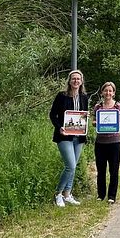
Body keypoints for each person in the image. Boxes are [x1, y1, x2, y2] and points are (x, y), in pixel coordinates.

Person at [49, 70, 89, 207]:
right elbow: (52, 115)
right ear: (69, 81)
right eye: (73, 79)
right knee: (70, 166)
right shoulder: (62, 96)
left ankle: (67, 194)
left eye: (78, 79)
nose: (76, 81)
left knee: (74, 166)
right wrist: (60, 127)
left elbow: (83, 115)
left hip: (79, 136)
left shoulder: (84, 97)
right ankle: (58, 194)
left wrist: (86, 117)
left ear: (81, 81)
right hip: (64, 135)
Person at [92, 82, 120, 204]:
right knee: (101, 170)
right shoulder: (98, 107)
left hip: (115, 142)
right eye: (106, 90)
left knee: (114, 170)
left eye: (110, 91)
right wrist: (97, 123)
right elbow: (93, 121)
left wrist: (115, 124)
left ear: (114, 93)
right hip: (100, 142)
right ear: (102, 92)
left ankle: (112, 196)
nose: (108, 93)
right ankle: (100, 195)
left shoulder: (118, 106)